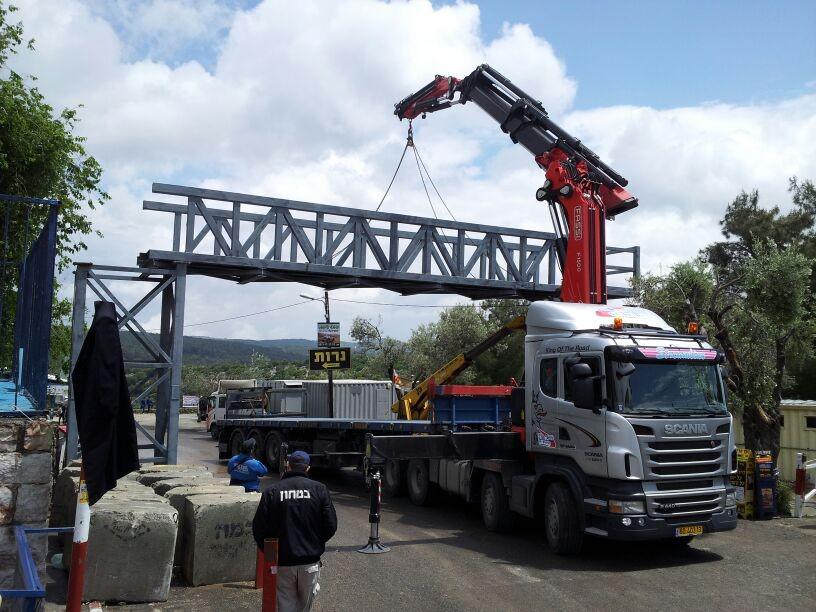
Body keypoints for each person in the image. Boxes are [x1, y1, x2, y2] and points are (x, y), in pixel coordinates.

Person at [252, 451, 337, 612]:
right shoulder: (320, 490)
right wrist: (314, 544)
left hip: (282, 563)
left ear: (288, 466)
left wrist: (272, 554)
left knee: (284, 606)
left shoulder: (272, 491)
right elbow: (331, 526)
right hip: (310, 563)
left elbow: (259, 529)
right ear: (308, 468)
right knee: (304, 608)